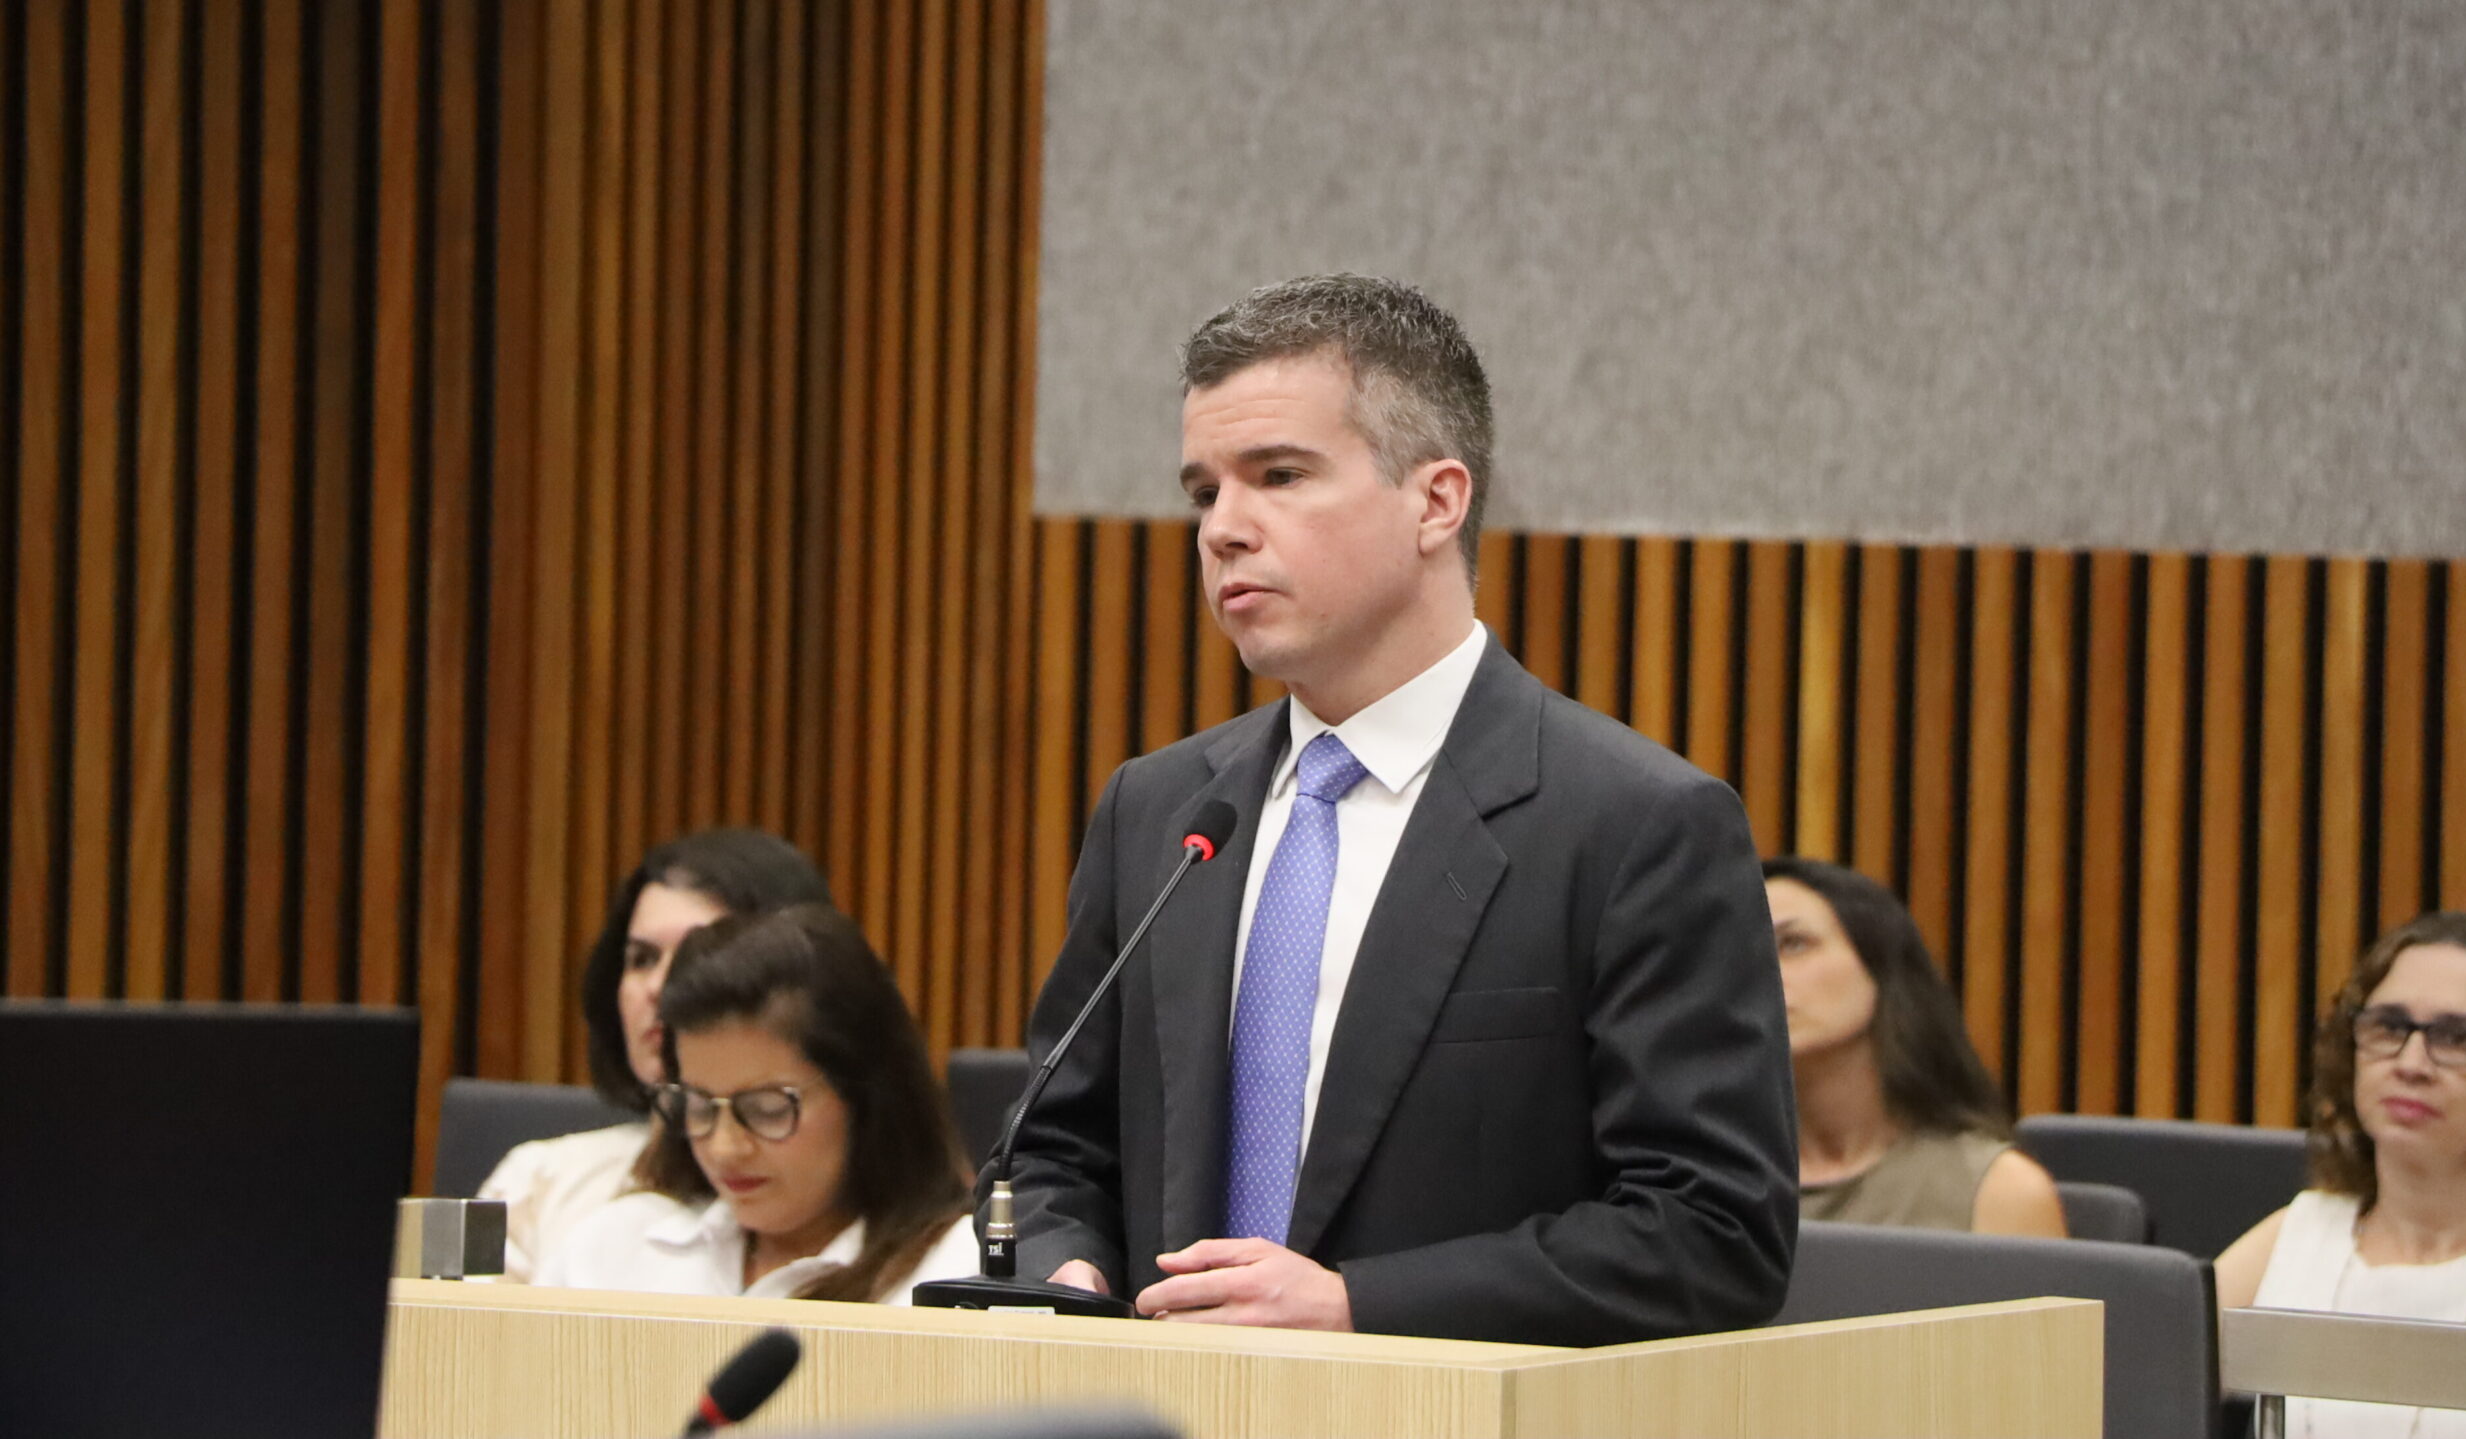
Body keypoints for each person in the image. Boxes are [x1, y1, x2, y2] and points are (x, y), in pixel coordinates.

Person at [1000, 274, 1796, 1346]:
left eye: (1279, 476)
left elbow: (1713, 1231)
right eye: (1202, 492)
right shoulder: (1161, 808)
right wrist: (1067, 1263)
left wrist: (1355, 1304)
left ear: (1436, 501)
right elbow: (1052, 1149)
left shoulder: (1634, 824)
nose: (1223, 529)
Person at [2216, 912, 2466, 1438]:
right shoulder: (2297, 1235)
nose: (2412, 1063)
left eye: (2456, 1037)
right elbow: (2137, 1375)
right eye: (2390, 1027)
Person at [538, 904, 980, 1301]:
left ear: (863, 1094)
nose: (725, 1148)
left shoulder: (957, 1272)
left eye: (767, 1110)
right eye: (699, 1106)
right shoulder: (612, 1248)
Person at [477, 828, 834, 1281]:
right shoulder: (532, 1178)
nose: (658, 987)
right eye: (642, 959)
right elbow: (435, 1311)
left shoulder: (857, 1223)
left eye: (695, 956)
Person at [1764, 856, 2066, 1236]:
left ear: (1881, 966)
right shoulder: (1708, 1181)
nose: (1761, 971)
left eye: (1793, 943)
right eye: (1738, 953)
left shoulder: (1999, 1192)